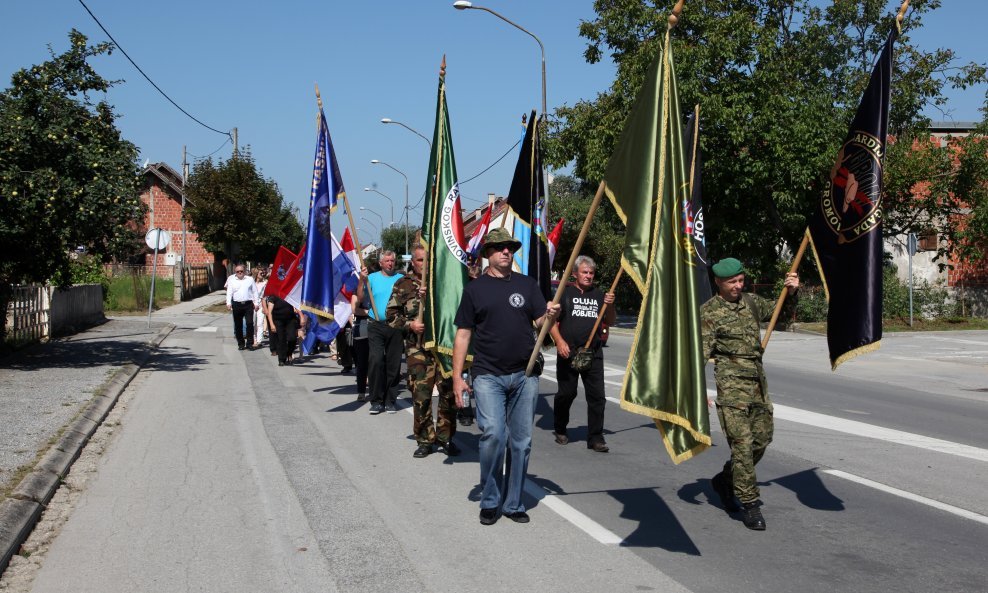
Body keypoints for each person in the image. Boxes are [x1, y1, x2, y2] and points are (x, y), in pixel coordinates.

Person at [452, 228, 560, 526]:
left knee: (521, 443)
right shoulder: (475, 289)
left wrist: (549, 314)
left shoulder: (527, 285)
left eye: (510, 247)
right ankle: (490, 499)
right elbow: (463, 334)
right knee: (493, 436)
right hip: (487, 375)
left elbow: (539, 320)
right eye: (499, 248)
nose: (506, 252)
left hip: (524, 374)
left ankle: (513, 503)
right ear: (488, 253)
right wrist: (457, 377)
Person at [702, 257, 798, 531]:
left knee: (762, 439)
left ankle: (725, 480)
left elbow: (779, 312)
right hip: (731, 387)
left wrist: (791, 292)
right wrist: (697, 392)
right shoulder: (708, 312)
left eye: (740, 280)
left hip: (757, 383)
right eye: (732, 282)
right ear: (718, 282)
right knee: (742, 446)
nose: (737, 286)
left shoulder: (751, 302)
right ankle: (750, 504)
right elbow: (699, 355)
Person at [387, 246, 460, 459]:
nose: (423, 264)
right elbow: (390, 316)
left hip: (443, 347)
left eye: (426, 261)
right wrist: (410, 325)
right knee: (421, 396)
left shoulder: (442, 282)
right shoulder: (403, 284)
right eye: (420, 260)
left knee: (448, 394)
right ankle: (425, 439)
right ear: (413, 262)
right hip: (418, 349)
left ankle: (446, 437)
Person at [549, 255, 616, 453]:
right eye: (584, 272)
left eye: (591, 273)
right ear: (575, 274)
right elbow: (550, 322)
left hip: (593, 353)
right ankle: (560, 428)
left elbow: (610, 321)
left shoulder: (599, 295)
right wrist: (559, 342)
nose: (588, 276)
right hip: (568, 352)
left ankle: (596, 437)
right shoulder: (565, 293)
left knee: (597, 397)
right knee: (567, 393)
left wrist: (610, 304)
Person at [364, 250, 404, 414]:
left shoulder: (401, 280)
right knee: (376, 360)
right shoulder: (371, 278)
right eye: (387, 260)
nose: (390, 263)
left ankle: (389, 400)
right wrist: (361, 281)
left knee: (393, 364)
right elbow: (360, 296)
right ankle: (376, 400)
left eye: (392, 260)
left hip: (395, 326)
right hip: (376, 325)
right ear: (380, 263)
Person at [225, 264, 260, 350]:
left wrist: (256, 303)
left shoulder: (250, 279)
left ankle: (249, 343)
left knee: (249, 324)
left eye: (241, 271)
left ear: (244, 272)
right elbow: (229, 292)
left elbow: (255, 292)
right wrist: (228, 303)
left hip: (248, 304)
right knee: (238, 325)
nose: (240, 273)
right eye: (238, 271)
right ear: (235, 272)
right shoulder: (232, 280)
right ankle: (241, 344)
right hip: (237, 304)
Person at [265, 294, 303, 366]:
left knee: (292, 338)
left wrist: (301, 316)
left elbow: (296, 306)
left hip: (290, 320)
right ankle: (281, 359)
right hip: (278, 321)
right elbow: (269, 312)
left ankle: (289, 353)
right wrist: (271, 324)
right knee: (281, 340)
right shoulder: (273, 296)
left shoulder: (290, 294)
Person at [351, 287, 371, 401]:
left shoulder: (377, 290)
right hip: (362, 327)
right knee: (362, 362)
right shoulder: (357, 292)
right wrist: (370, 312)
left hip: (377, 327)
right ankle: (361, 391)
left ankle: (377, 389)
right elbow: (355, 310)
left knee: (377, 361)